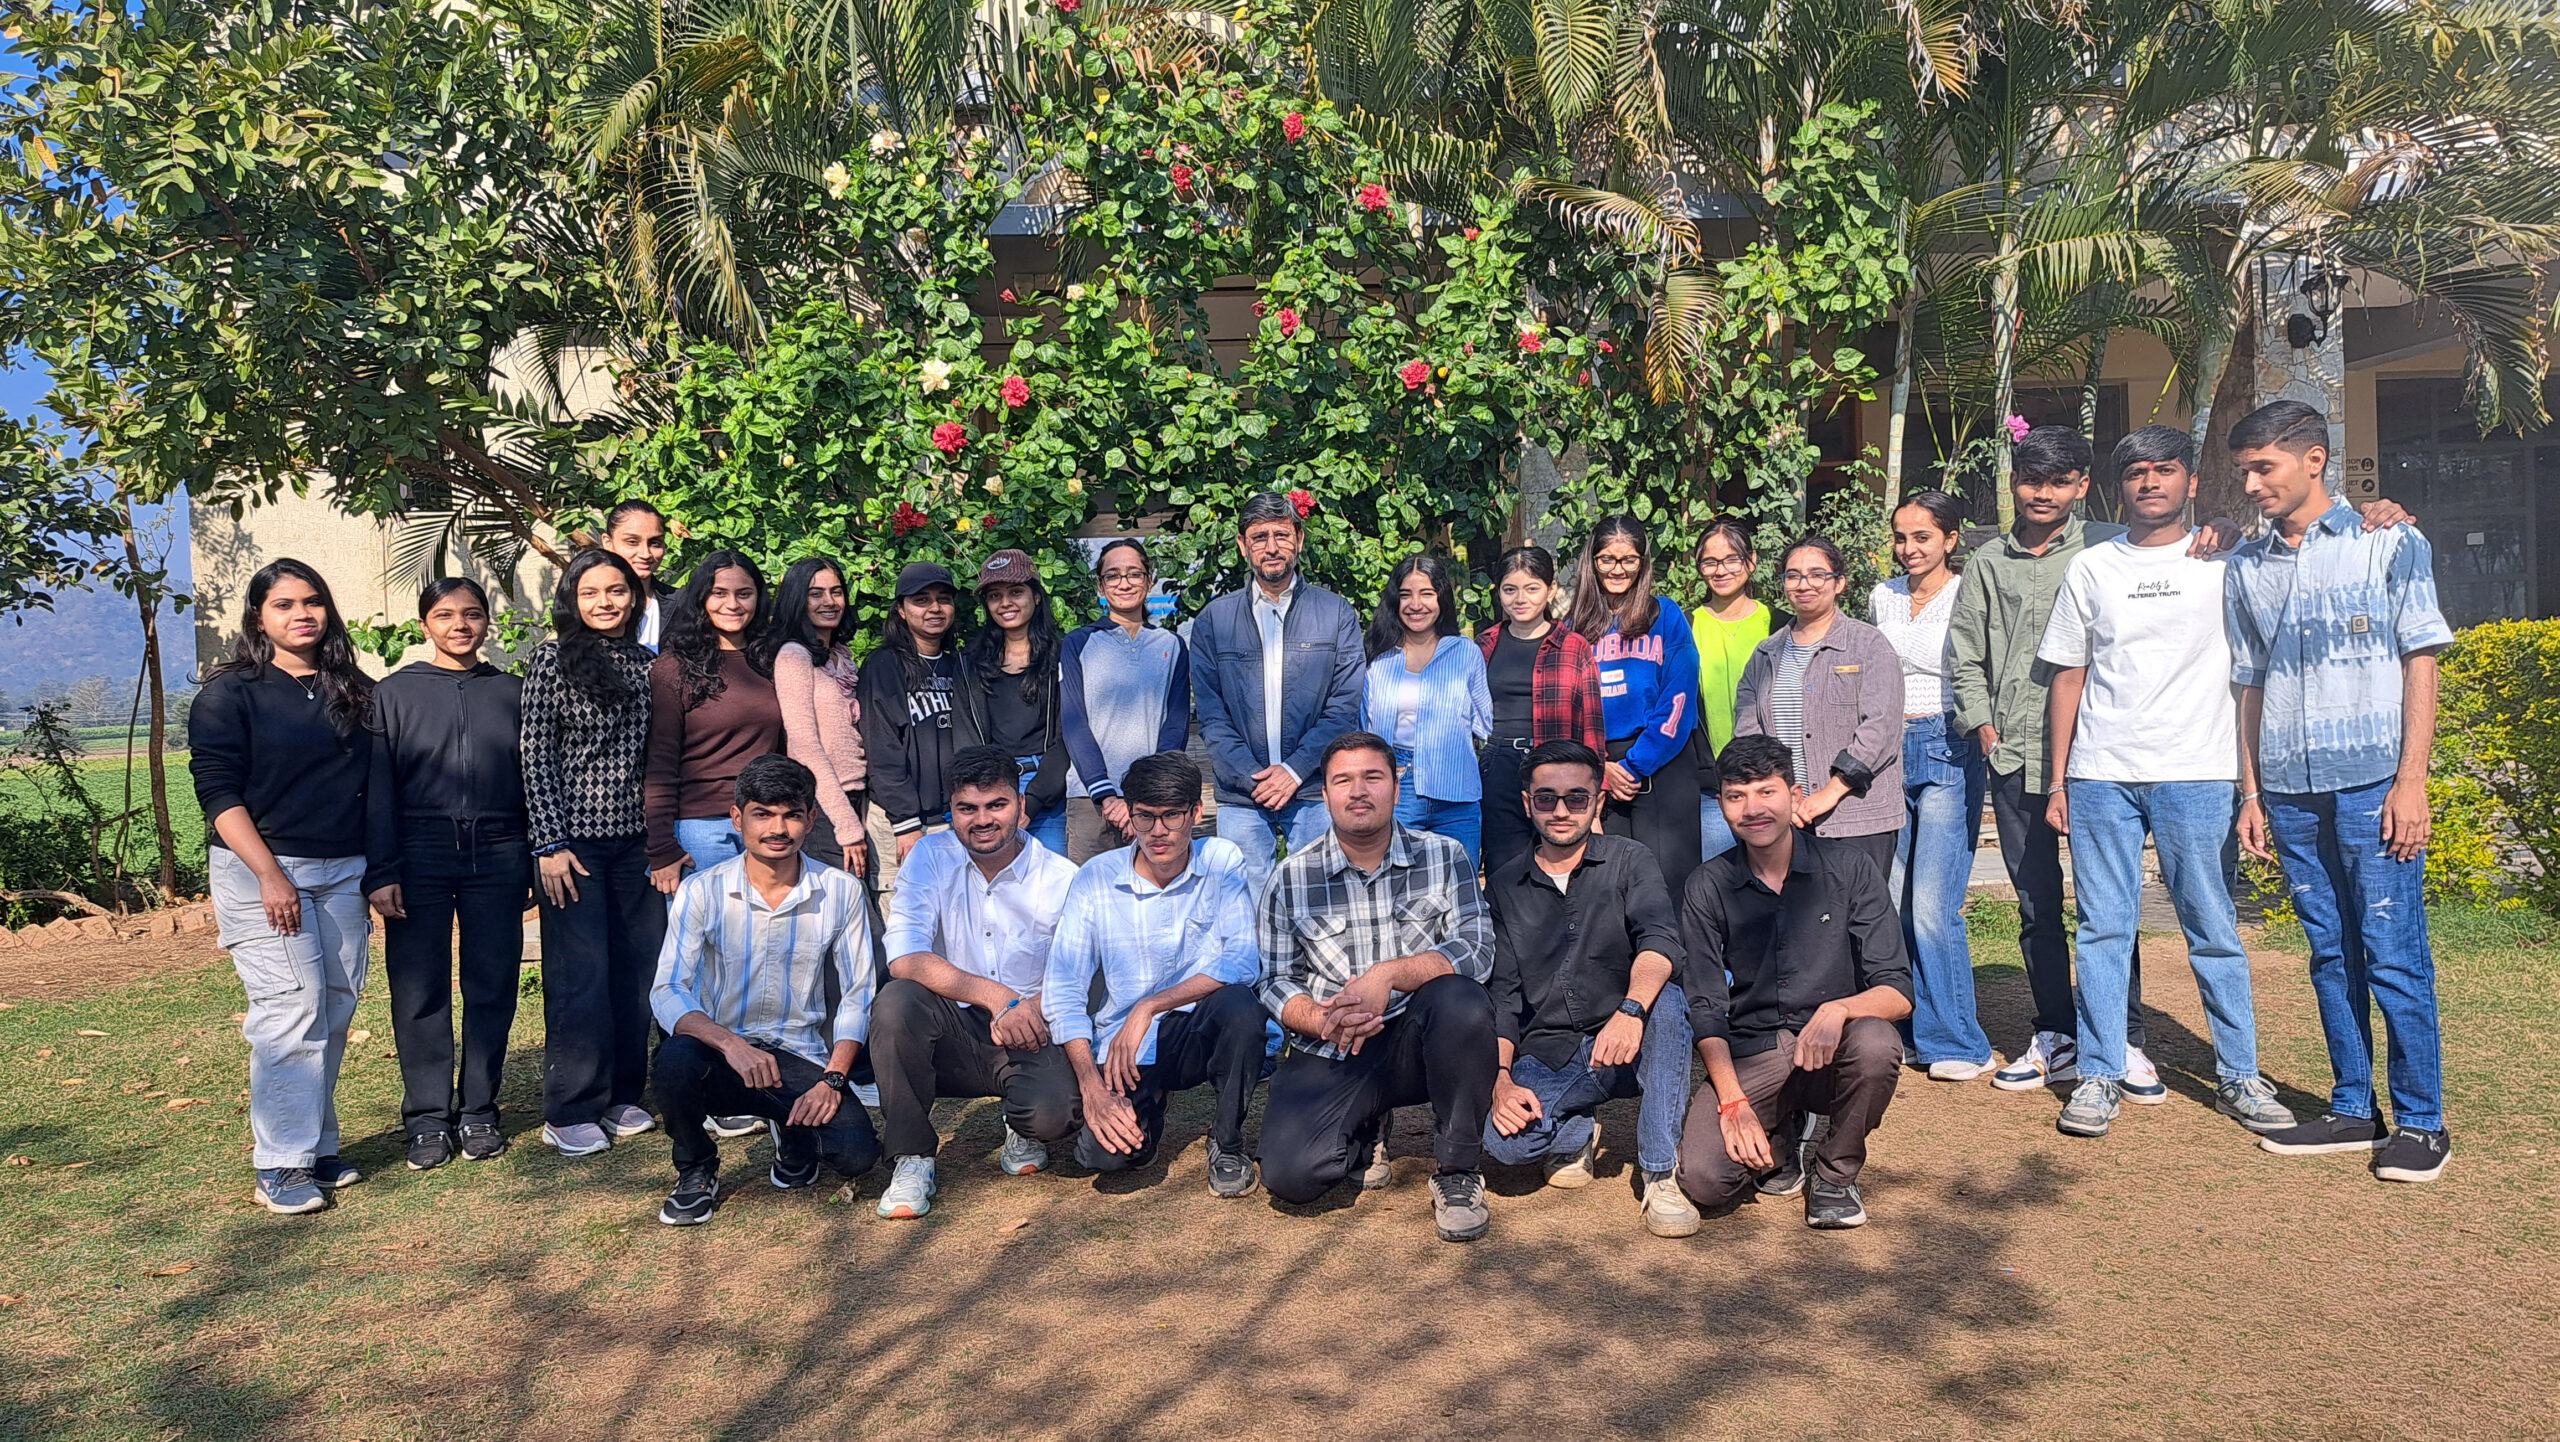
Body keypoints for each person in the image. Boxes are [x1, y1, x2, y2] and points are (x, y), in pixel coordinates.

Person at [2037, 424, 2296, 1142]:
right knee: (2103, 928)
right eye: (2136, 472)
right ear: (2119, 487)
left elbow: (2251, 680)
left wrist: (2250, 789)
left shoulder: (2228, 562)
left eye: (2165, 469)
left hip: (2199, 773)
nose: (2150, 481)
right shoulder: (2092, 568)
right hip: (2101, 776)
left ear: (2190, 481)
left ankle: (2240, 1075)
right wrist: (2058, 781)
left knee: (2213, 929)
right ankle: (2098, 1072)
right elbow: (2069, 675)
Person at [2225, 401, 2456, 1183]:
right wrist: (2252, 792)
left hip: (2372, 785)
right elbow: (2250, 683)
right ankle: (2354, 1107)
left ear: (2314, 460)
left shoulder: (2388, 541)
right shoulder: (2245, 567)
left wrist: (2410, 781)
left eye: (2264, 467)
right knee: (2329, 953)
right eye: (2244, 471)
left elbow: (2421, 658)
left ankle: (2422, 1122)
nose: (2251, 484)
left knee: (2393, 952)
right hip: (2290, 792)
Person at [1949, 426, 2164, 1098]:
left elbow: (2187, 547)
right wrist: (1987, 731)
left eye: (2060, 481)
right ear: (2013, 483)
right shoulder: (1988, 562)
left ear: (2081, 485)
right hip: (2016, 757)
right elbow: (1965, 655)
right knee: (2037, 904)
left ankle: (2122, 1036)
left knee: (2108, 903)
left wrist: (2221, 528)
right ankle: (2055, 1034)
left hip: (2097, 757)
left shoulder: (2110, 548)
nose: (2043, 493)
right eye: (2031, 479)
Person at [193, 559, 385, 1215]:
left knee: (334, 1007)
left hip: (344, 872)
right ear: (258, 617)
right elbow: (218, 792)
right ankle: (279, 1162)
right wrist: (269, 873)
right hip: (263, 872)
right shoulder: (230, 693)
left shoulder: (353, 689)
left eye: (312, 602)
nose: (301, 614)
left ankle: (315, 1146)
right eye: (284, 604)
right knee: (290, 1011)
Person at [1256, 732, 1498, 1243]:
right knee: (1291, 1177)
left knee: (1462, 999)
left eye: (1373, 777)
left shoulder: (1444, 855)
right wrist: (1320, 1019)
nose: (1358, 791)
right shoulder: (1291, 878)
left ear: (1396, 786)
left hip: (1421, 1041)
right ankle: (1367, 1126)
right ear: (1325, 793)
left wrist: (1388, 975)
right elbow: (1275, 980)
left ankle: (1458, 1170)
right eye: (1343, 780)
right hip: (1335, 1045)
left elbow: (1477, 949)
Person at [1675, 735, 1911, 1230]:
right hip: (1754, 1049)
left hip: (1834, 1046)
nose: (1752, 809)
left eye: (1767, 791)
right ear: (1722, 804)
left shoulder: (1849, 868)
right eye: (1736, 796)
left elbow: (1896, 989)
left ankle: (1835, 1173)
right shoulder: (1707, 885)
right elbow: (1705, 1005)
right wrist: (1734, 1101)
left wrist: (1839, 1009)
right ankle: (1782, 1133)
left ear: (1795, 795)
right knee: (1704, 1180)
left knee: (1877, 1043)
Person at [648, 755, 883, 1226]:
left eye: (791, 815)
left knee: (858, 1155)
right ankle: (695, 1167)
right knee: (674, 1060)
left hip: (798, 1055)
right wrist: (730, 1045)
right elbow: (668, 989)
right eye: (763, 814)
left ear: (811, 819)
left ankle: (793, 1135)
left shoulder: (840, 890)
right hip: (721, 1056)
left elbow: (859, 994)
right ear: (737, 819)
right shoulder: (702, 890)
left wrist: (833, 1080)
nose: (778, 829)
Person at [1482, 739, 1699, 1239]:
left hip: (1631, 1035)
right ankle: (1577, 1125)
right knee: (1505, 1143)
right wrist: (1501, 1080)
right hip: (1553, 1050)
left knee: (1667, 1001)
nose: (1561, 811)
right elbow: (1504, 998)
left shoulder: (1630, 859)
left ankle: (1660, 1173)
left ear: (1598, 801)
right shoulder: (1505, 886)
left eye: (1576, 798)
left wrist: (1630, 1010)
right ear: (1527, 804)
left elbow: (1661, 941)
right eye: (1547, 798)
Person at [868, 745, 1080, 1220]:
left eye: (996, 805)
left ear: (1020, 805)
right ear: (951, 810)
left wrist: (1024, 1008)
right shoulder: (929, 856)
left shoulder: (1062, 877)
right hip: (952, 1026)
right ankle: (912, 1156)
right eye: (967, 808)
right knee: (897, 1002)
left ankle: (1021, 1124)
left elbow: (1077, 973)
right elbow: (903, 955)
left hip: (1030, 1026)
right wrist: (996, 997)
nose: (982, 820)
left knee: (1054, 1115)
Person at [1041, 751, 1265, 1194]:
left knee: (1241, 1007)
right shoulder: (1096, 877)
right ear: (1129, 814)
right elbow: (1063, 987)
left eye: (1172, 816)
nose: (1158, 831)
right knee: (1106, 1158)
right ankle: (1149, 1107)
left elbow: (1242, 961)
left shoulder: (1221, 860)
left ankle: (1227, 1142)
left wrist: (1149, 1006)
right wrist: (1090, 1084)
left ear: (1196, 813)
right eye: (1145, 816)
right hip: (1125, 1046)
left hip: (1195, 1028)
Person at [365, 578, 529, 1171]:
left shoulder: (513, 692)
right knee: (419, 989)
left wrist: (532, 857)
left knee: (492, 983)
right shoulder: (393, 694)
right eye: (445, 615)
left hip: (499, 854)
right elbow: (378, 788)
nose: (460, 625)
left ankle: (480, 1108)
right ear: (424, 625)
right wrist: (382, 869)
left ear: (486, 622)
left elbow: (534, 779)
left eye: (472, 614)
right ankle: (428, 1119)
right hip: (418, 855)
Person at [520, 548, 665, 1158]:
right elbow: (535, 756)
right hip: (573, 848)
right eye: (591, 592)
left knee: (637, 973)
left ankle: (622, 1095)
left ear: (633, 598)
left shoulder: (649, 665)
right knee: (580, 976)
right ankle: (571, 1108)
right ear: (572, 600)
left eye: (616, 590)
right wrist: (549, 844)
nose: (605, 602)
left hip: (638, 846)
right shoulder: (550, 660)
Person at [1870, 493, 1992, 1081]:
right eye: (1901, 537)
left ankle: (1958, 1042)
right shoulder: (1883, 596)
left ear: (1950, 538)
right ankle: (1912, 1028)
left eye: (1922, 536)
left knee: (1932, 907)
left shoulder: (1969, 591)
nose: (1909, 548)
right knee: (1893, 900)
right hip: (1887, 751)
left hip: (1949, 744)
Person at [1191, 491, 1367, 892]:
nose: (1271, 547)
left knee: (1320, 897)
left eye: (1281, 535)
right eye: (1259, 537)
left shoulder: (1336, 614)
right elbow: (1213, 716)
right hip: (1242, 796)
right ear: (1243, 545)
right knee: (1243, 905)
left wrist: (1293, 770)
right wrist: (1255, 779)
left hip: (1315, 788)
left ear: (1299, 540)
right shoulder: (1214, 621)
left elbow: (1344, 707)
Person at [1733, 536, 1906, 878]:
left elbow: (1881, 728)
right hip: (1789, 817)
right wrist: (1783, 795)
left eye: (1817, 575)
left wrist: (1829, 793)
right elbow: (1749, 733)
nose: (1804, 584)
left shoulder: (1868, 645)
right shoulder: (1766, 654)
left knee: (1858, 909)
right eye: (1793, 576)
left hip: (1858, 815)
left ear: (1839, 583)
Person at [1569, 515, 1705, 886]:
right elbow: (1569, 707)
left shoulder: (1666, 615)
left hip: (1663, 763)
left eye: (1629, 559)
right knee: (1611, 885)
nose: (1618, 569)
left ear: (1643, 562)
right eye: (1607, 560)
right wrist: (1600, 767)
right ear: (1592, 561)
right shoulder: (1572, 626)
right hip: (1599, 768)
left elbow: (1678, 698)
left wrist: (1634, 765)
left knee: (1669, 885)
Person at [645, 550, 783, 891]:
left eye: (744, 593)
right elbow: (660, 762)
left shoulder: (774, 661)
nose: (732, 604)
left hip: (768, 821)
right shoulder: (674, 667)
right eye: (719, 593)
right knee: (710, 926)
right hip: (701, 830)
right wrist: (661, 848)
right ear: (701, 598)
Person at [1477, 545, 1607, 879]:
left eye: (1532, 588)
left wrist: (1594, 796)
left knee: (1564, 866)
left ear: (1550, 590)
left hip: (1558, 769)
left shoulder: (1573, 646)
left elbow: (1591, 726)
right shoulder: (1483, 645)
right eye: (1510, 590)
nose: (1520, 599)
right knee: (1505, 871)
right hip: (1499, 765)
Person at [1059, 537, 1190, 863]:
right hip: (1090, 801)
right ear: (1100, 585)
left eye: (1134, 574)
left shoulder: (1171, 645)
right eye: (1113, 575)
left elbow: (1175, 728)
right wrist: (1106, 795)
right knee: (1091, 890)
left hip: (1154, 803)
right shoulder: (1078, 643)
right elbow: (1074, 725)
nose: (1124, 583)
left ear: (1150, 580)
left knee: (1156, 889)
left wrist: (1144, 797)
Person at [1363, 553, 1492, 867]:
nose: (1415, 604)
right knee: (1397, 883)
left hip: (1457, 791)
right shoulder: (1378, 657)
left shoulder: (1465, 652)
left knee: (1460, 884)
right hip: (1397, 787)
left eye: (1426, 593)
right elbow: (1364, 726)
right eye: (1406, 594)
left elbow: (1485, 723)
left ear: (1441, 598)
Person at [858, 561, 989, 866]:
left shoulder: (960, 666)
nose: (935, 608)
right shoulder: (884, 665)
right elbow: (882, 750)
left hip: (956, 818)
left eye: (943, 599)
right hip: (902, 823)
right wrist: (906, 823)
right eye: (921, 600)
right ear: (901, 610)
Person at [760, 555, 869, 881]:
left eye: (836, 592)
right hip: (823, 807)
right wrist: (846, 825)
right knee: (848, 904)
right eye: (816, 593)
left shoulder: (841, 655)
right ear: (797, 599)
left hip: (857, 797)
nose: (829, 602)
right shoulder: (794, 656)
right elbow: (803, 746)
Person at [965, 549, 1072, 858]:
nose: (1005, 603)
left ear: (1035, 596)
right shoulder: (969, 663)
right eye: (995, 596)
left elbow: (1069, 735)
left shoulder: (1064, 657)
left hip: (1047, 790)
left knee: (1051, 880)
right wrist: (993, 796)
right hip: (988, 790)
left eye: (1015, 592)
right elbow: (966, 738)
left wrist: (1032, 801)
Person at [1689, 522, 1774, 861]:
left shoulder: (1780, 625)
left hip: (1771, 781)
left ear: (1751, 561)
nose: (1721, 570)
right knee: (1719, 880)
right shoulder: (1686, 625)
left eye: (1732, 559)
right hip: (1713, 786)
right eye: (1710, 561)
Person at [600, 498, 678, 651]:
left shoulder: (683, 604)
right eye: (632, 542)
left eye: (654, 543)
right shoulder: (589, 604)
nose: (645, 554)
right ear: (608, 543)